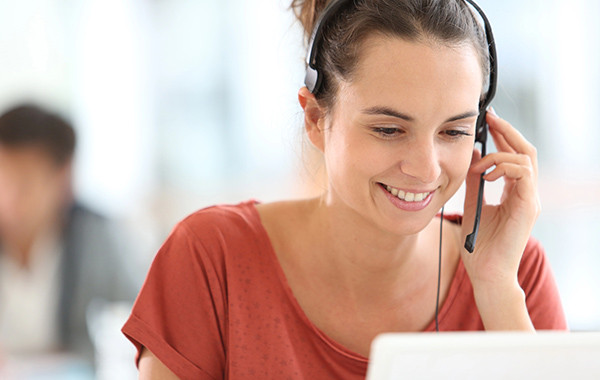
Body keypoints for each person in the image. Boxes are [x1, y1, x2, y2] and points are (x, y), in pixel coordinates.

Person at [122, 0, 567, 378]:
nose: (426, 168)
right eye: (389, 129)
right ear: (317, 119)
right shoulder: (213, 258)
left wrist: (494, 289)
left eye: (453, 132)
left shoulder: (514, 272)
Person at [0, 104, 141, 364]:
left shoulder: (98, 238)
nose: (9, 198)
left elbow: (141, 325)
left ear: (63, 177)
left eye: (25, 182)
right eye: (2, 180)